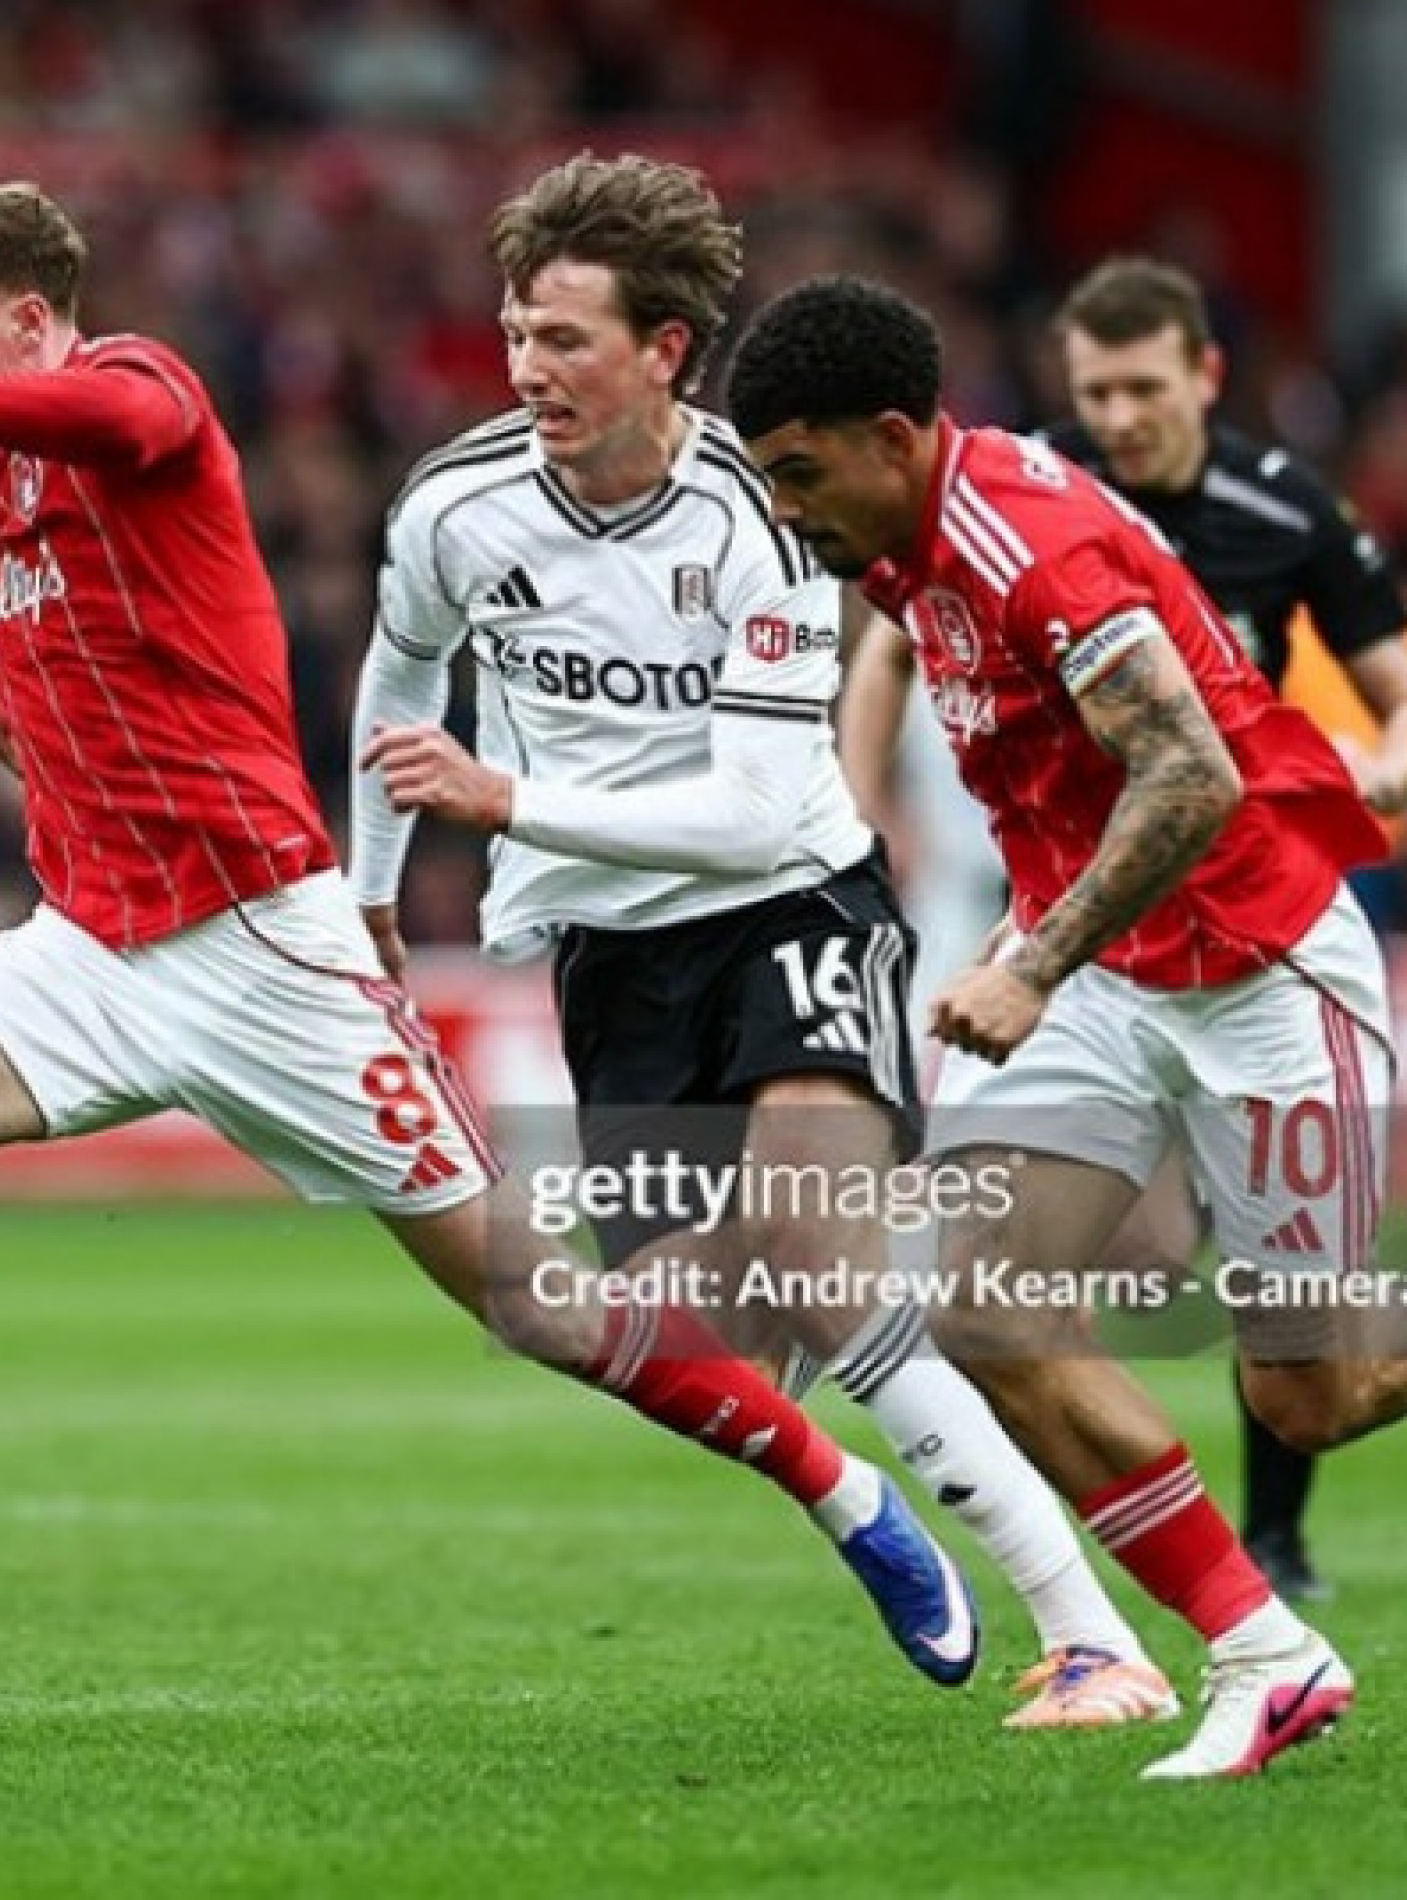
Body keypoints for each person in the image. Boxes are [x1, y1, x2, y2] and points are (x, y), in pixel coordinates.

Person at [0, 179, 979, 1711]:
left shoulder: (141, 387)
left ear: (29, 322)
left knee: (539, 1306)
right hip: (88, 948)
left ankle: (844, 1492)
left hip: (267, 953)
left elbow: (108, 438)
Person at [348, 152, 1168, 1730]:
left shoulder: (761, 512)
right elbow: (400, 688)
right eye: (517, 333)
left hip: (789, 904)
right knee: (670, 1336)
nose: (530, 370)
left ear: (664, 352)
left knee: (816, 1251)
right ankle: (860, 1481)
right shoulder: (454, 505)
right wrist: (375, 899)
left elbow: (740, 815)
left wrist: (504, 796)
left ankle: (1092, 1639)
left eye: (566, 340)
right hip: (611, 957)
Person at [726, 272, 1407, 1780]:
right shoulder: (907, 543)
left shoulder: (1031, 544)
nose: (786, 510)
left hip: (1258, 967)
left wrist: (1028, 967)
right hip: (1109, 971)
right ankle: (1264, 1653)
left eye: (796, 470)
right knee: (981, 1303)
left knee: (1313, 1391)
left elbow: (1193, 777)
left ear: (892, 437)